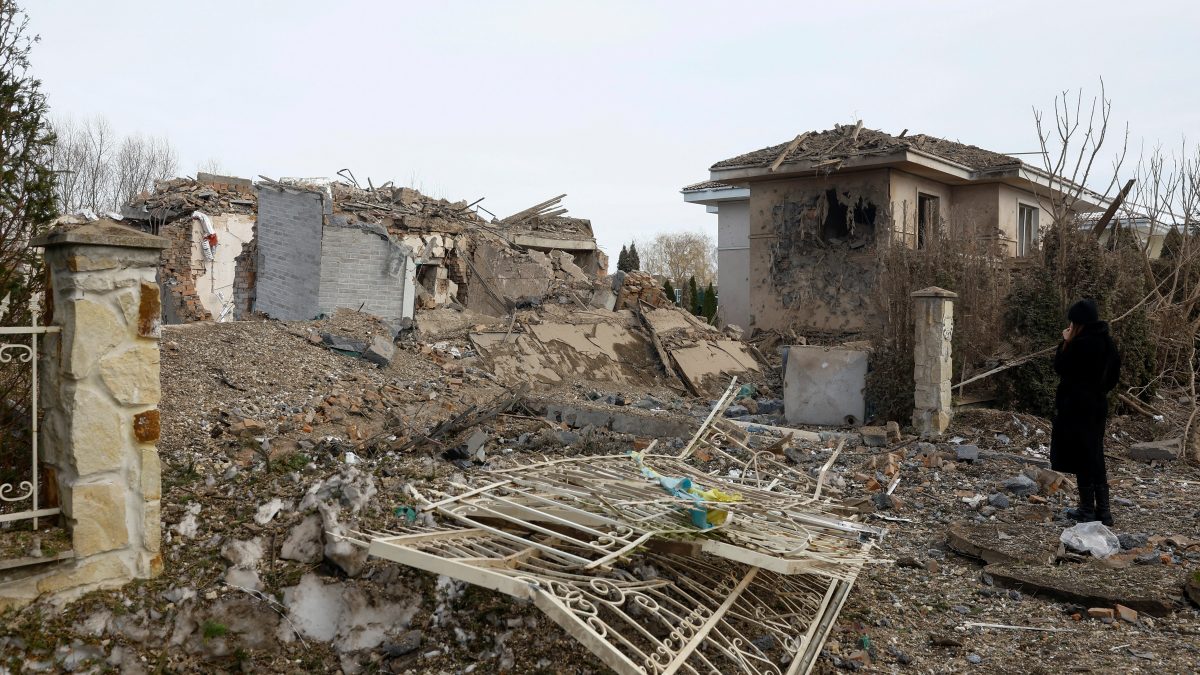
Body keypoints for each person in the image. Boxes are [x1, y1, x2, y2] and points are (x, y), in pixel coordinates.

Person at [1050, 299, 1121, 526]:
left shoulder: (1080, 344)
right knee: (1095, 455)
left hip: (1076, 407)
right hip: (1098, 406)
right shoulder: (1108, 343)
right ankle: (1104, 512)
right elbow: (1113, 377)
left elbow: (1061, 368)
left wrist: (1065, 343)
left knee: (1082, 457)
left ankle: (1087, 511)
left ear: (1078, 323)